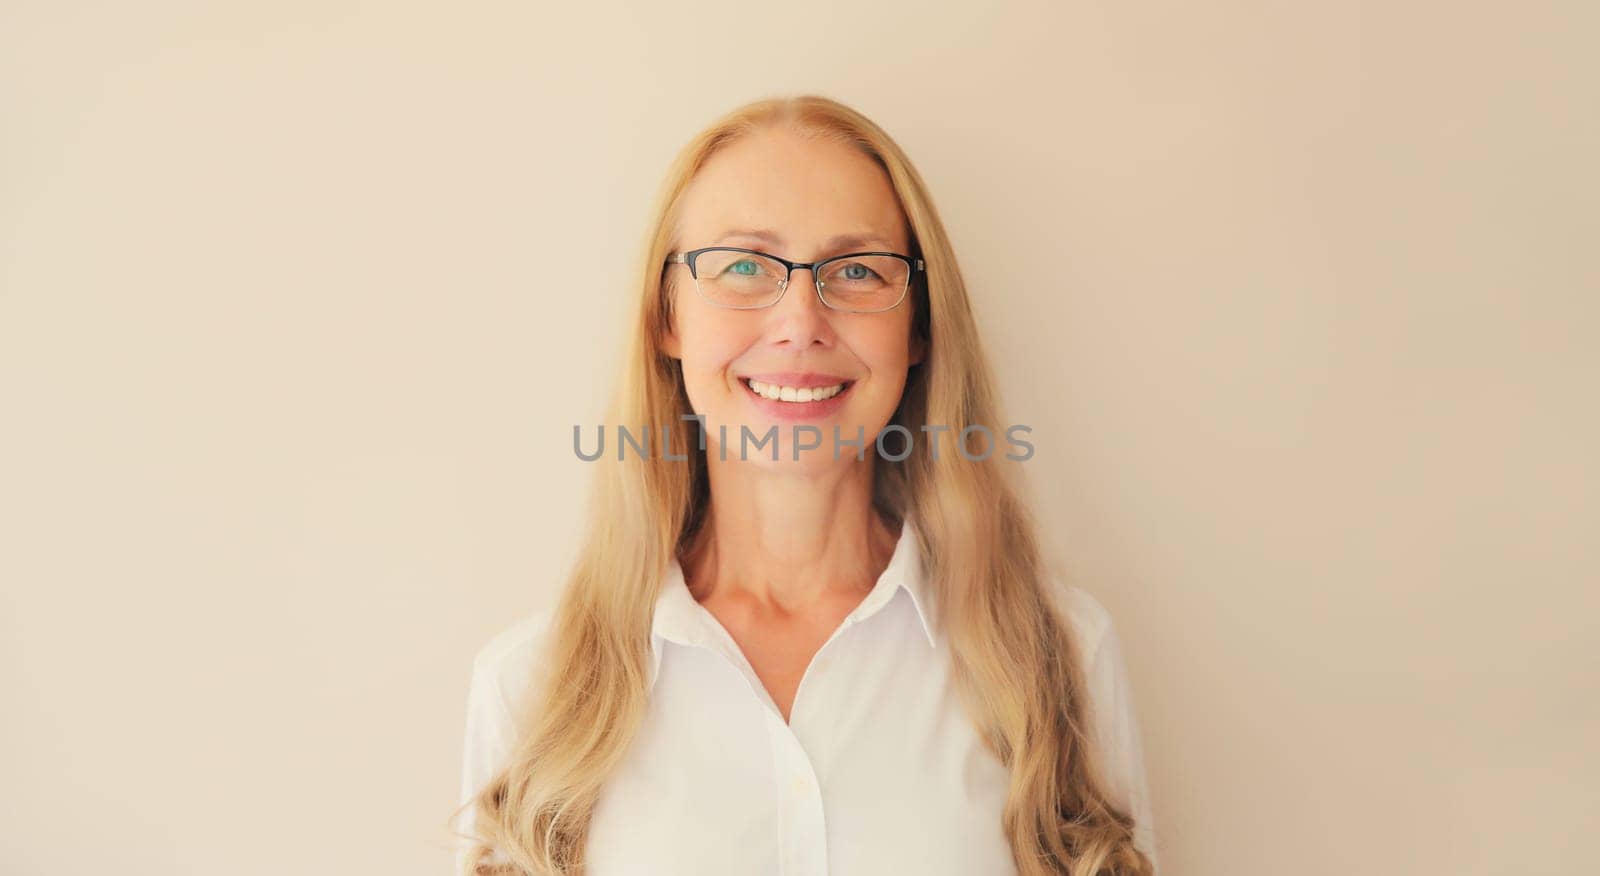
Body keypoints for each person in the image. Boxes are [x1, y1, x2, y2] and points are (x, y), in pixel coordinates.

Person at [450, 94, 1158, 875]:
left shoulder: (1059, 660)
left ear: (920, 326)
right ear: (668, 316)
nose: (800, 322)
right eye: (744, 266)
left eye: (856, 269)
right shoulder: (529, 690)